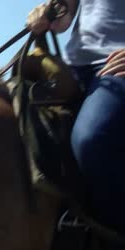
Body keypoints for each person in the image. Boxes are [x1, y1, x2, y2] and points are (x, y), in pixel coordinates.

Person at [27, 0, 125, 234]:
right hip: (73, 66)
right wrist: (48, 15)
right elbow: (66, 13)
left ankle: (116, 243)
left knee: (92, 139)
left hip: (115, 67)